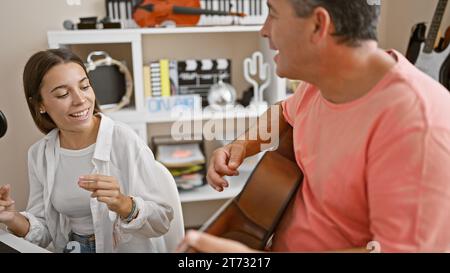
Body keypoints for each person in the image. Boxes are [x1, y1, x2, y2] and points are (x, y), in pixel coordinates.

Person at [179, 0, 450, 252]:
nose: (264, 30)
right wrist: (241, 146)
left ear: (318, 25)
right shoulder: (321, 83)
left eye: (273, 13)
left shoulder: (417, 129)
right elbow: (285, 113)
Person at [0, 48, 174, 253]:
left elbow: (162, 219)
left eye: (84, 86)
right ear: (40, 104)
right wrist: (12, 218)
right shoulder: (40, 154)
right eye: (63, 93)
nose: (80, 100)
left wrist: (123, 203)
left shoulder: (124, 140)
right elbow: (46, 230)